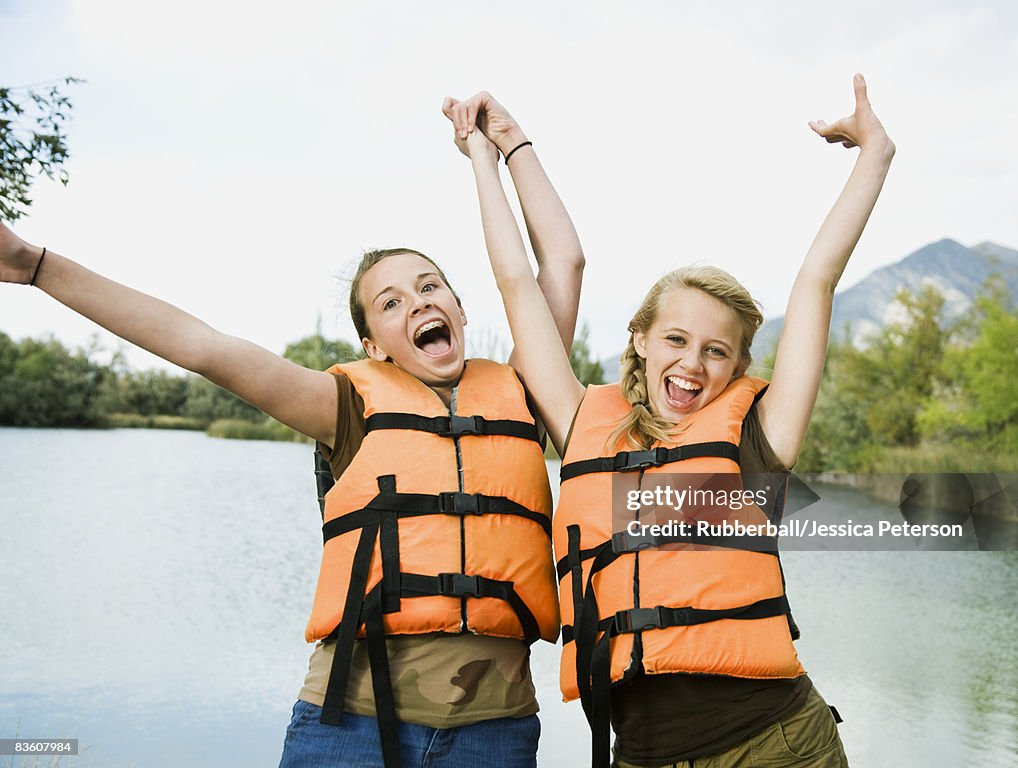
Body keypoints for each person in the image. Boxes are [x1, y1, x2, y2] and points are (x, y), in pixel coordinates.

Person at [0, 94, 585, 768]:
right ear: (373, 345)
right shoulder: (346, 405)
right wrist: (35, 267)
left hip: (495, 734)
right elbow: (202, 346)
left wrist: (508, 144)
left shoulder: (526, 389)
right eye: (391, 302)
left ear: (457, 305)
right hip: (352, 729)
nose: (418, 301)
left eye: (431, 286)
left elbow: (562, 263)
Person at [451, 74, 895, 767]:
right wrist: (495, 152)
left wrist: (874, 155)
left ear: (738, 364)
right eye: (677, 340)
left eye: (717, 351)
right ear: (639, 339)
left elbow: (817, 278)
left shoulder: (757, 437)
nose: (693, 363)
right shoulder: (581, 423)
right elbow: (517, 282)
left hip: (775, 747)